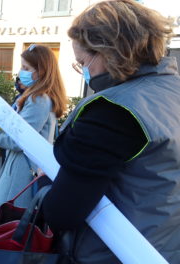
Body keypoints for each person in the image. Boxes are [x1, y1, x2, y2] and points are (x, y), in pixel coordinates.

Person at [38, 1, 180, 262]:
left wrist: (46, 181)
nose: (84, 72)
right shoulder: (172, 91)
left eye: (83, 62)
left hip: (109, 255)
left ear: (108, 51)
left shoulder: (114, 111)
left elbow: (62, 213)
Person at [0, 44, 67, 215]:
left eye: (26, 68)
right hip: (24, 168)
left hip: (21, 172)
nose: (21, 71)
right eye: (21, 66)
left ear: (42, 71)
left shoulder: (38, 99)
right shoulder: (39, 96)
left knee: (4, 223)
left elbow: (17, 141)